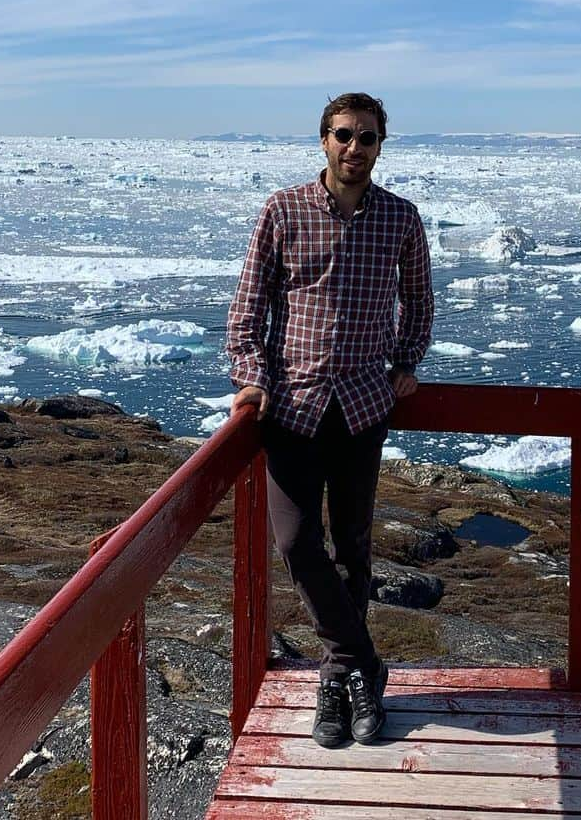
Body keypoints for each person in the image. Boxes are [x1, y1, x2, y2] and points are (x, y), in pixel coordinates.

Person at [226, 92, 434, 747]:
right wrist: (252, 378)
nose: (355, 148)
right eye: (344, 135)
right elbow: (247, 309)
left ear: (380, 146)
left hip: (362, 408)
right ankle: (360, 664)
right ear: (323, 140)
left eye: (367, 138)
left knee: (352, 546)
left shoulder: (400, 219)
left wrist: (406, 360)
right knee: (295, 544)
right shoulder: (283, 211)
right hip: (292, 407)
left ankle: (339, 680)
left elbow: (420, 303)